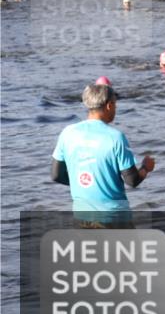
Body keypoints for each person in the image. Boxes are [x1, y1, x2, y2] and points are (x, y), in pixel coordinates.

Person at [51, 82, 155, 224]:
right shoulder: (116, 137)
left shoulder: (67, 133)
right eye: (115, 105)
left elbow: (56, 175)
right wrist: (145, 168)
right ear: (109, 105)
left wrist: (84, 183)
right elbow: (132, 180)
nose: (115, 109)